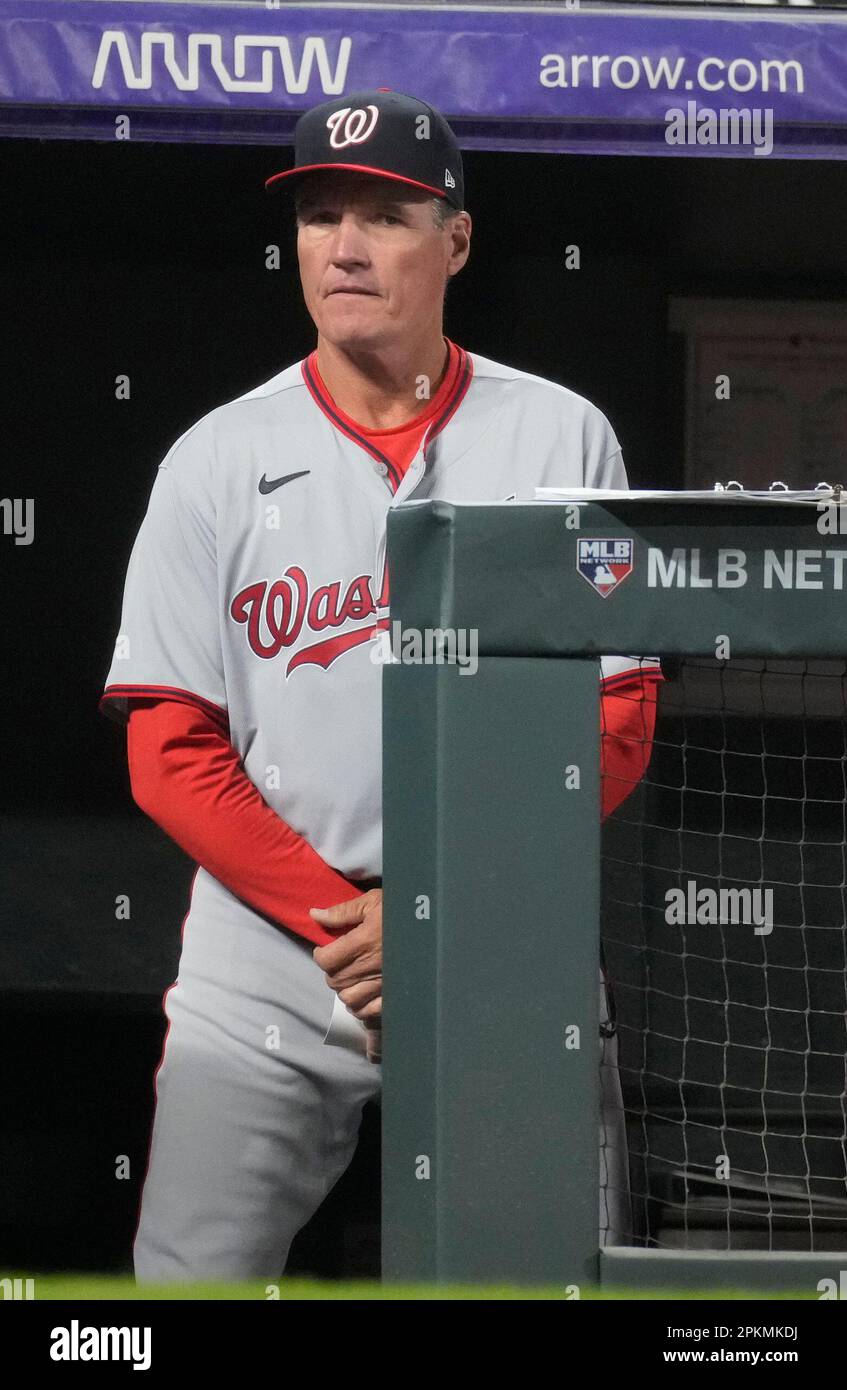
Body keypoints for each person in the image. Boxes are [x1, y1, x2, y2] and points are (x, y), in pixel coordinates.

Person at [100, 89, 661, 1281]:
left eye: (385, 215)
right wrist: (350, 924)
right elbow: (169, 742)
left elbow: (615, 715)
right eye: (319, 216)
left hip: (495, 933)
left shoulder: (559, 436)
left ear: (455, 239)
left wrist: (441, 903)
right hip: (268, 951)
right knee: (181, 1287)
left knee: (534, 1281)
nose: (343, 246)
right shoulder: (215, 459)